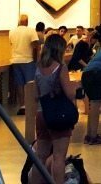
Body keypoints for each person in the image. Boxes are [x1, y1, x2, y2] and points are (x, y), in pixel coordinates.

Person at [28, 34, 77, 184]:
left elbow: (35, 95)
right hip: (59, 115)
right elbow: (69, 93)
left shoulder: (39, 68)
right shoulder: (61, 68)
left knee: (41, 156)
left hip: (42, 114)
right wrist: (76, 90)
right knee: (59, 157)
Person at [10, 14, 41, 116]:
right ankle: (30, 105)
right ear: (27, 21)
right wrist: (38, 59)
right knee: (30, 84)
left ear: (19, 21)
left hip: (15, 60)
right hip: (28, 60)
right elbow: (36, 45)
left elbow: (11, 44)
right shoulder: (31, 30)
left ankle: (22, 105)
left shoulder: (12, 31)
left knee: (19, 84)